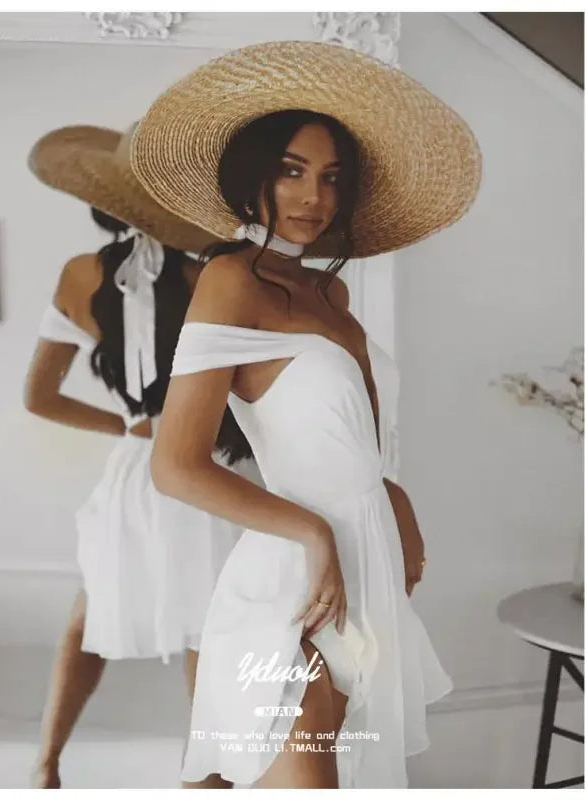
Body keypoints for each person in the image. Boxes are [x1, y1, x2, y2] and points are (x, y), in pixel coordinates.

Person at [131, 41, 481, 788]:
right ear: (251, 175)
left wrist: (395, 499)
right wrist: (312, 530)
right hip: (291, 578)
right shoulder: (230, 280)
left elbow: (350, 441)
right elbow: (174, 466)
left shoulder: (332, 296)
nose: (312, 197)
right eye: (290, 170)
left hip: (365, 570)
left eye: (330, 178)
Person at [24, 125, 259, 789]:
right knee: (208, 624)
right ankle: (207, 773)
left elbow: (39, 398)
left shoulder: (80, 274)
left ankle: (46, 761)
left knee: (90, 611)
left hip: (135, 472)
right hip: (209, 467)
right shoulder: (222, 273)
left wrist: (132, 426)